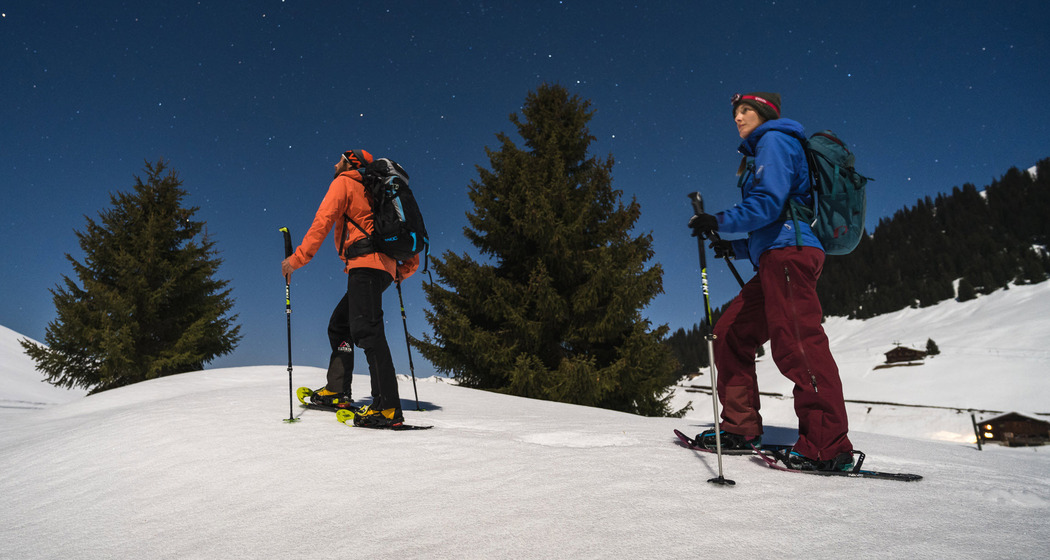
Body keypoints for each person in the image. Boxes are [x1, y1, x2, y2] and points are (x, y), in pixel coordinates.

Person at [688, 92, 854, 471]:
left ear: (766, 113)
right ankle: (741, 427)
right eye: (735, 112)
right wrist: (737, 247)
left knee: (797, 342)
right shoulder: (763, 148)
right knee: (730, 335)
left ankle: (827, 446)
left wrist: (720, 220)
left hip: (789, 254)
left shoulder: (775, 140)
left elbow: (769, 202)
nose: (738, 118)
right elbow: (775, 217)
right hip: (775, 255)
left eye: (746, 110)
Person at [281, 149, 419, 428]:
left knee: (368, 330)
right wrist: (401, 271)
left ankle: (387, 408)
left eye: (340, 160)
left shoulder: (345, 182)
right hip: (381, 269)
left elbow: (322, 222)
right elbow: (408, 238)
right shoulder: (379, 190)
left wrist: (296, 261)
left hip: (364, 266)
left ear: (351, 163)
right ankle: (337, 390)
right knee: (341, 324)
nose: (335, 164)